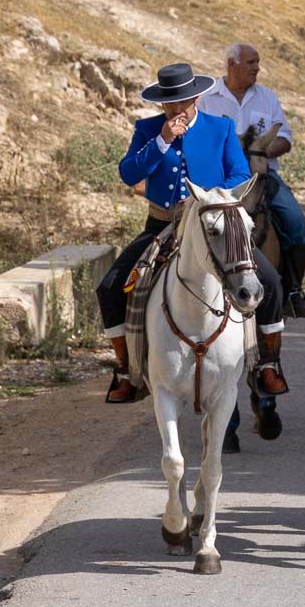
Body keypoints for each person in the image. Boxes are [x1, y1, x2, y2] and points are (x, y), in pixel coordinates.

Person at [95, 63, 288, 404]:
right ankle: (126, 369)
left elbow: (239, 175)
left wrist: (206, 201)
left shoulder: (221, 128)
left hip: (212, 223)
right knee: (110, 286)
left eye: (182, 101)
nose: (176, 109)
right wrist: (163, 140)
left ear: (196, 97)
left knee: (269, 280)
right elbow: (128, 173)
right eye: (169, 102)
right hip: (163, 224)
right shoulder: (148, 130)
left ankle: (268, 364)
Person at [198, 43, 305, 318]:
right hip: (221, 178)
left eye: (257, 62)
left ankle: (294, 290)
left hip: (262, 175)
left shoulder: (267, 98)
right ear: (231, 64)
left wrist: (262, 150)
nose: (256, 68)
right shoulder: (207, 98)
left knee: (295, 220)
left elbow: (286, 138)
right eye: (250, 62)